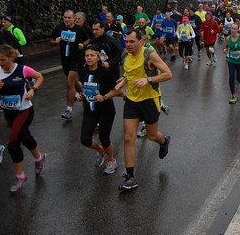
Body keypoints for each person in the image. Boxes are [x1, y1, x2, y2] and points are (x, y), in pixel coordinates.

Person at [114, 30, 172, 191]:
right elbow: (130, 73)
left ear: (141, 41)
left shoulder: (149, 55)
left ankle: (164, 141)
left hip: (150, 100)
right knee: (128, 137)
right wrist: (123, 81)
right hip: (132, 100)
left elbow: (168, 74)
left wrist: (148, 79)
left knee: (153, 135)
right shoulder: (125, 56)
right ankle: (131, 176)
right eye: (127, 41)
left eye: (132, 41)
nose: (128, 44)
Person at [0, 44, 45, 192]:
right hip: (8, 112)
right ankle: (39, 158)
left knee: (13, 144)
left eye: (3, 59)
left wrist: (33, 90)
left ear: (11, 57)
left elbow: (39, 77)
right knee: (25, 137)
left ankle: (20, 176)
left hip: (24, 110)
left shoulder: (22, 69)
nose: (0, 63)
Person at [76, 45, 121, 175]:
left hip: (106, 110)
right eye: (87, 55)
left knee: (104, 137)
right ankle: (101, 150)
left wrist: (104, 97)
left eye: (92, 55)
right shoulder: (84, 71)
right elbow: (85, 88)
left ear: (97, 57)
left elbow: (115, 90)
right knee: (85, 139)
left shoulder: (105, 72)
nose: (89, 58)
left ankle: (112, 160)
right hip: (89, 110)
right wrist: (81, 95)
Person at [51, 10, 89, 120]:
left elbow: (88, 39)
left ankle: (69, 109)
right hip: (65, 59)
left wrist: (83, 45)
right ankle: (87, 96)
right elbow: (52, 41)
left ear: (73, 18)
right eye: (65, 17)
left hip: (76, 59)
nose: (67, 19)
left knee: (69, 83)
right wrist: (56, 41)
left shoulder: (79, 29)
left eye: (69, 17)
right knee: (74, 82)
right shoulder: (59, 28)